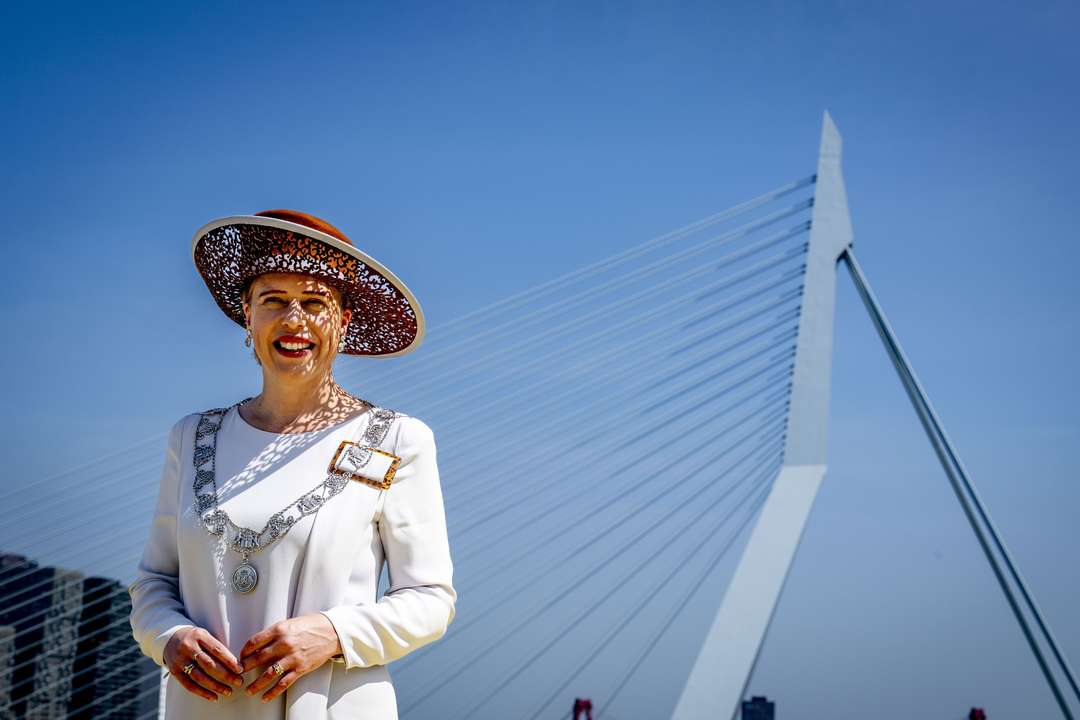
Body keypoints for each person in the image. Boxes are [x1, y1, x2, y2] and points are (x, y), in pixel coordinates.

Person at [128, 209, 456, 719]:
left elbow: (431, 600)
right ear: (248, 316)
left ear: (343, 321)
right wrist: (169, 637)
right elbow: (153, 583)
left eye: (315, 302)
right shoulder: (193, 438)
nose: (294, 319)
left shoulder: (397, 439)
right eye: (274, 301)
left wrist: (332, 633)